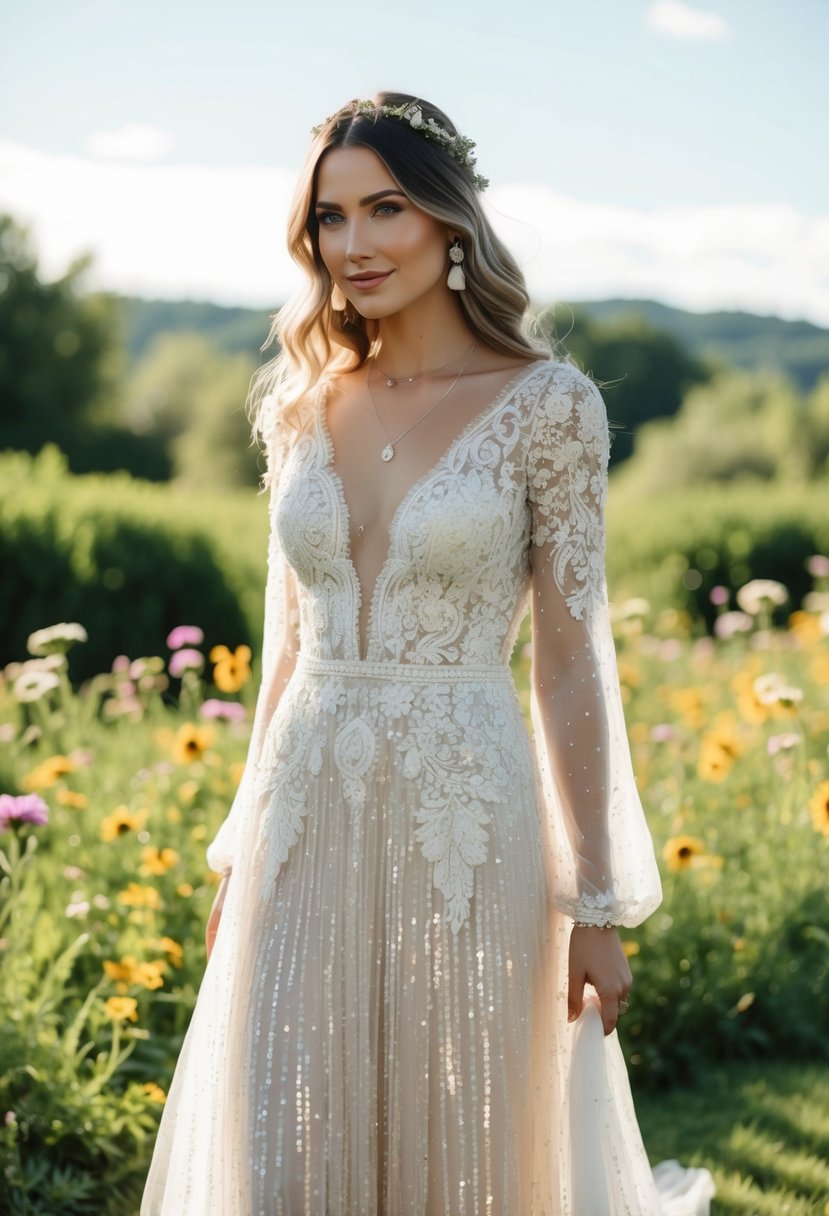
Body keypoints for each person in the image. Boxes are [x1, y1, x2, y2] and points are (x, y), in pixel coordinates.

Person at [141, 93, 715, 1215]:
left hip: (464, 810)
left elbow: (566, 657)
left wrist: (591, 899)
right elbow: (287, 648)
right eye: (329, 218)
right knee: (283, 1126)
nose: (352, 246)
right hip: (303, 811)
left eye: (385, 208)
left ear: (449, 221)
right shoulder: (301, 406)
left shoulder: (549, 406)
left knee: (463, 1135)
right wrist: (237, 841)